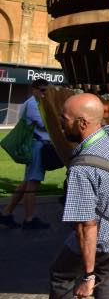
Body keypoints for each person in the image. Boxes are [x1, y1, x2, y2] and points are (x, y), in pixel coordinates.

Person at [48, 93, 109, 299]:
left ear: (82, 123)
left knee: (61, 275)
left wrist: (88, 276)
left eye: (65, 119)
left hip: (102, 239)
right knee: (107, 274)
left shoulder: (83, 169)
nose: (60, 124)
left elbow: (86, 227)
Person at [1, 79, 52, 229]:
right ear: (34, 90)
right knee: (32, 183)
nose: (45, 94)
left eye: (46, 91)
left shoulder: (35, 102)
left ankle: (6, 213)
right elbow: (45, 124)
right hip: (36, 146)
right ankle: (29, 219)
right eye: (42, 90)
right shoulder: (32, 104)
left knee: (26, 183)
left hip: (36, 145)